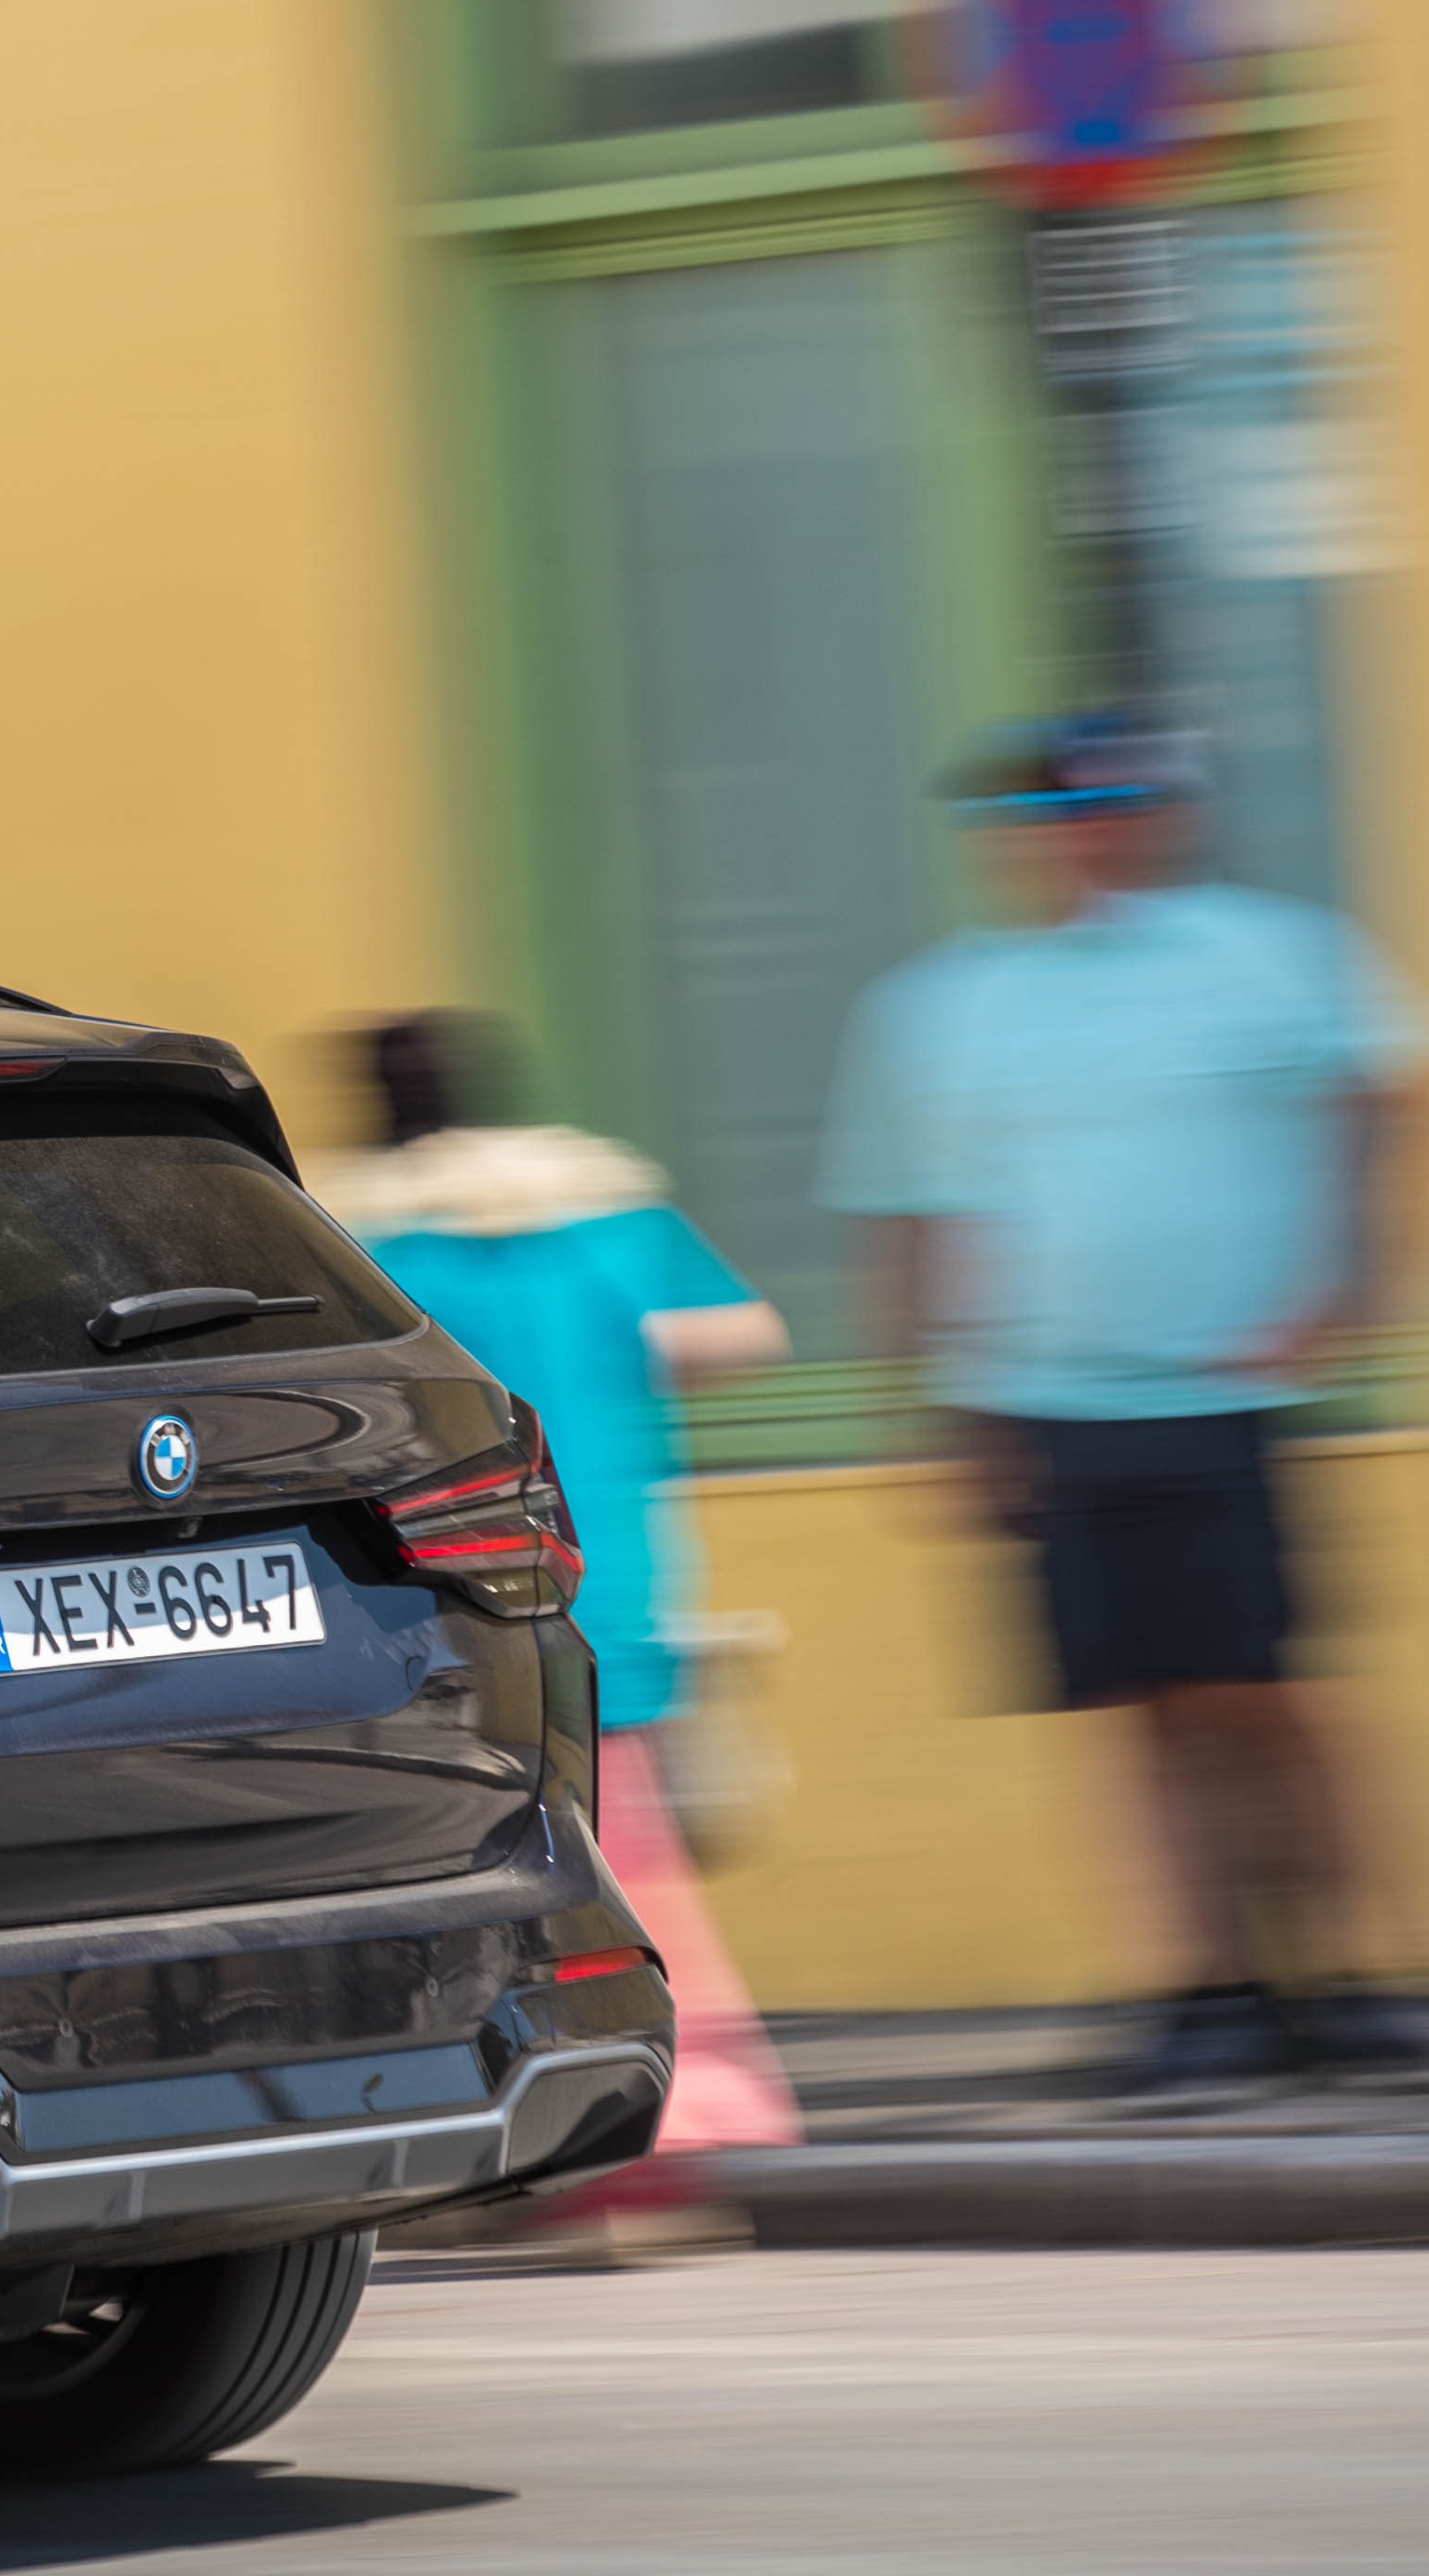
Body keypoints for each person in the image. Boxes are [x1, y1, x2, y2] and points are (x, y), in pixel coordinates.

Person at [818, 715, 1420, 2086]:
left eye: (1121, 803)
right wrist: (939, 1410)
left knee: (1267, 1696)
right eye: (1053, 812)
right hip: (1041, 1403)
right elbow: (907, 1213)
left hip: (1225, 1392)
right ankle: (1208, 1988)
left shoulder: (1278, 953)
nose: (1089, 832)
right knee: (1137, 1708)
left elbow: (1378, 1112)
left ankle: (1356, 1979)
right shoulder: (936, 1004)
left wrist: (1351, 1290)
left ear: (1171, 814)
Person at [329, 1015, 805, 2199]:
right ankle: (665, 2124)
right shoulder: (604, 1214)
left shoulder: (366, 1242)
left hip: (455, 1606)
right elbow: (742, 1338)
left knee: (529, 1880)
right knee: (627, 1859)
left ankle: (641, 2137)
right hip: (621, 1588)